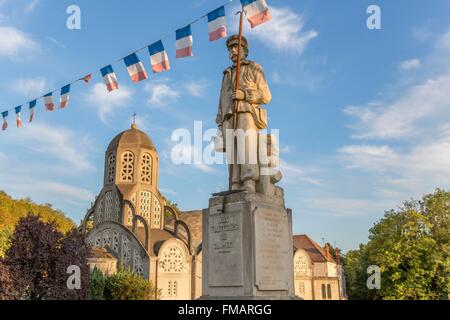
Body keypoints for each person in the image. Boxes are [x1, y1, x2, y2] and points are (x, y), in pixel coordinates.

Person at [216, 35, 272, 192]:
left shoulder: (255, 68)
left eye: (235, 47)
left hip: (246, 112)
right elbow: (221, 99)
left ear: (244, 50)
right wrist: (219, 121)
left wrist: (245, 94)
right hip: (228, 115)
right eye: (230, 49)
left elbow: (266, 95)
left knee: (246, 147)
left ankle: (248, 181)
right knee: (232, 153)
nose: (232, 51)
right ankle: (234, 183)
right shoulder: (227, 73)